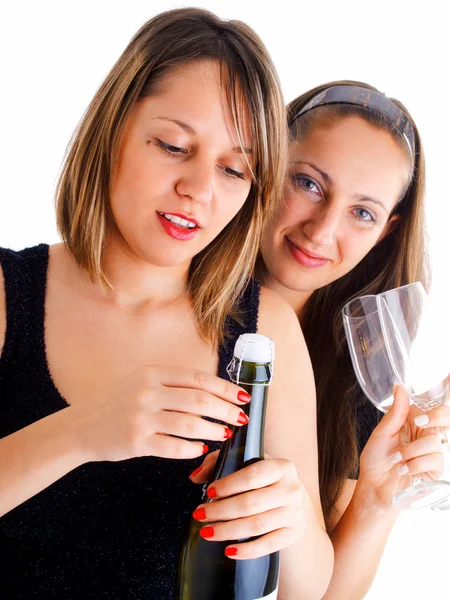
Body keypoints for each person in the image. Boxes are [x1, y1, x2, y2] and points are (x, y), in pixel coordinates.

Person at [0, 8, 334, 599]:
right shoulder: (8, 293)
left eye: (235, 169)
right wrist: (80, 432)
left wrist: (293, 517)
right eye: (175, 146)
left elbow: (308, 589)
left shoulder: (263, 333)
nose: (200, 189)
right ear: (113, 128)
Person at [195, 80, 449, 598]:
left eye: (362, 213)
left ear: (386, 231)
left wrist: (380, 497)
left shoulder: (357, 376)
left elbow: (318, 596)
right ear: (266, 162)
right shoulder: (168, 294)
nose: (321, 230)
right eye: (308, 183)